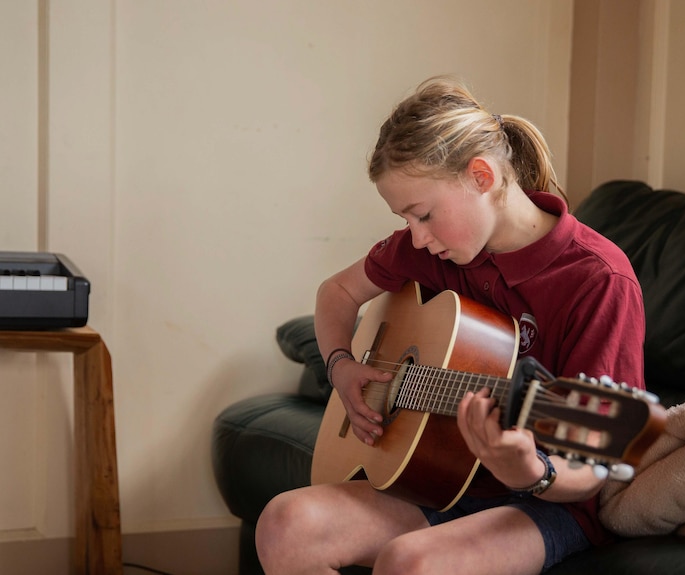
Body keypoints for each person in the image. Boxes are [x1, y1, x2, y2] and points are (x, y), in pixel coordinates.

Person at [255, 76, 646, 575]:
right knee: (284, 523)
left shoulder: (597, 279)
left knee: (411, 562)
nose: (415, 239)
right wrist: (340, 367)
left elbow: (596, 464)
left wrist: (533, 469)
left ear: (481, 177)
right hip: (437, 479)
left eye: (423, 215)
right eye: (405, 219)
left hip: (549, 503)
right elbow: (337, 293)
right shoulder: (432, 250)